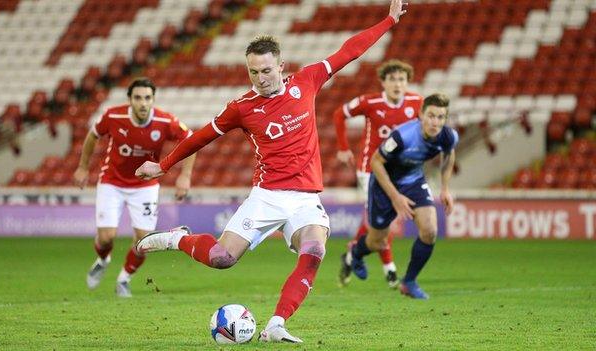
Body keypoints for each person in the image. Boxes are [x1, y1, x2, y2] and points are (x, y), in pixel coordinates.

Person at [134, 0, 407, 343]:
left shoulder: (307, 80)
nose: (260, 79)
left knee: (315, 251)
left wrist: (388, 22)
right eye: (253, 72)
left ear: (281, 66)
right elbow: (201, 137)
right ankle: (178, 238)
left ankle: (276, 324)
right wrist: (163, 166)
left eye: (266, 71)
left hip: (306, 198)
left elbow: (349, 51)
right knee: (221, 258)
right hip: (267, 196)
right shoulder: (242, 109)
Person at [73, 78, 196, 298]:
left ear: (153, 100)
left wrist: (185, 176)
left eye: (147, 98)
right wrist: (83, 167)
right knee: (106, 237)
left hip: (145, 185)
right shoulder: (113, 116)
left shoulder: (165, 120)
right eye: (138, 98)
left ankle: (123, 279)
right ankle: (103, 259)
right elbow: (93, 136)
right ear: (130, 99)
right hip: (112, 181)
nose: (143, 103)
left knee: (144, 240)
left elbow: (191, 140)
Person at [341, 93, 458, 299]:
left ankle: (409, 282)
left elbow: (449, 155)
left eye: (441, 117)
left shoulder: (448, 136)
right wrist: (395, 197)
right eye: (431, 115)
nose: (435, 122)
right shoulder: (402, 136)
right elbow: (376, 163)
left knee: (429, 231)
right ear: (421, 115)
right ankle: (355, 253)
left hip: (413, 181)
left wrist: (445, 188)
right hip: (384, 184)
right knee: (377, 241)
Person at [334, 59, 422, 288]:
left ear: (407, 82)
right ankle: (389, 269)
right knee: (382, 222)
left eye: (401, 79)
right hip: (370, 169)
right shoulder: (369, 102)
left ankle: (353, 254)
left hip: (399, 171)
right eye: (392, 79)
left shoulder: (417, 103)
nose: (397, 84)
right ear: (383, 82)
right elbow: (338, 114)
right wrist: (343, 148)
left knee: (381, 222)